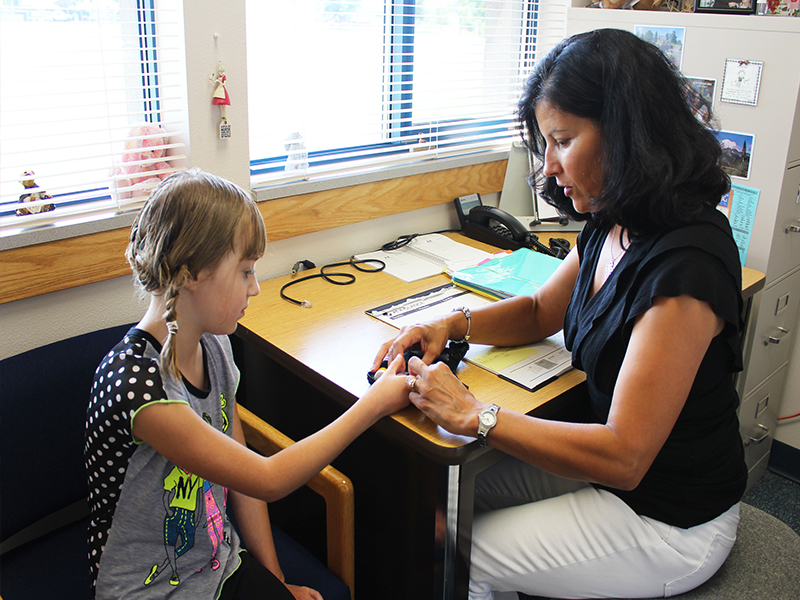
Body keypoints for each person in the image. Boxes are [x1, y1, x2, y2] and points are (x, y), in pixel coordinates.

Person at [373, 28, 747, 600]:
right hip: (609, 469)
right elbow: (541, 310)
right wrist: (451, 324)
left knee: (462, 546)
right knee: (442, 502)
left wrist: (477, 414)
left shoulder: (686, 269)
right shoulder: (612, 217)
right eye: (545, 143)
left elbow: (625, 457)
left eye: (563, 141)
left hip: (670, 514)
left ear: (626, 136)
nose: (548, 166)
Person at [86, 169, 410, 600]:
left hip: (216, 566)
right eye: (244, 271)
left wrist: (276, 584)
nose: (255, 288)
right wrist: (371, 405)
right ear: (192, 272)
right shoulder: (140, 387)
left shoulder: (215, 347)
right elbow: (266, 478)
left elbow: (242, 472)